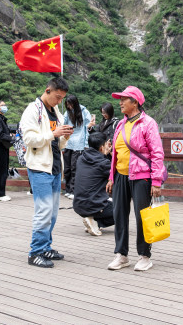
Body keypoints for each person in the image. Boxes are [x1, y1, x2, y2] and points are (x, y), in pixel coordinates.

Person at [106, 86, 165, 272]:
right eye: (120, 99)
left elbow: (157, 153)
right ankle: (121, 255)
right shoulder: (120, 125)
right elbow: (115, 153)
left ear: (135, 102)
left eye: (124, 99)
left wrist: (156, 181)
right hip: (120, 175)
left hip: (141, 176)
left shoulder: (148, 123)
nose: (120, 102)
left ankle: (144, 256)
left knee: (142, 217)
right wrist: (111, 177)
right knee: (119, 215)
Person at [22, 77, 73, 268]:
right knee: (43, 211)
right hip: (39, 166)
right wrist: (54, 134)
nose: (59, 101)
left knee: (52, 212)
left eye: (62, 98)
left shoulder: (56, 112)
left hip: (54, 166)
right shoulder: (32, 110)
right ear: (48, 91)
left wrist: (65, 137)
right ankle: (35, 251)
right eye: (57, 97)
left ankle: (45, 246)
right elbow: (29, 139)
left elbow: (57, 143)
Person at [73, 132, 115, 236]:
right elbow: (115, 173)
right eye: (106, 144)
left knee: (110, 202)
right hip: (93, 204)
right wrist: (112, 155)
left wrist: (104, 155)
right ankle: (96, 222)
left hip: (78, 204)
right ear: (101, 147)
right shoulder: (103, 163)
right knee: (122, 209)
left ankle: (91, 219)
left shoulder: (81, 158)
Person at [62, 94, 93, 199]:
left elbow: (88, 128)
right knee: (67, 168)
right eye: (67, 105)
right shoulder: (67, 113)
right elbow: (62, 124)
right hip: (68, 142)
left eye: (70, 104)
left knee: (74, 167)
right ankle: (68, 189)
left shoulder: (84, 112)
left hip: (79, 143)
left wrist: (85, 144)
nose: (69, 107)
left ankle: (74, 190)